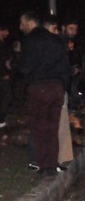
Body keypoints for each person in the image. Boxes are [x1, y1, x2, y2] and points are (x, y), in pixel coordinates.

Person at [18, 11, 70, 177]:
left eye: (22, 23)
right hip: (56, 87)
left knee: (40, 127)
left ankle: (43, 165)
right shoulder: (56, 40)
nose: (20, 27)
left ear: (30, 22)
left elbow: (25, 67)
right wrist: (63, 85)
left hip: (39, 87)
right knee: (52, 128)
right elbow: (66, 65)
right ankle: (51, 164)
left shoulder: (30, 40)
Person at [42, 16, 74, 171]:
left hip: (58, 86)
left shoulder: (57, 43)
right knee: (56, 123)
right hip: (53, 87)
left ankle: (62, 156)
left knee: (60, 121)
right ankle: (55, 158)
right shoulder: (52, 44)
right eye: (54, 29)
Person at [0, 23, 11, 129]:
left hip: (4, 74)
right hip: (2, 76)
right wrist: (4, 73)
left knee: (5, 96)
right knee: (6, 96)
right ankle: (1, 119)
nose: (8, 33)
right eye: (6, 30)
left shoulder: (3, 43)